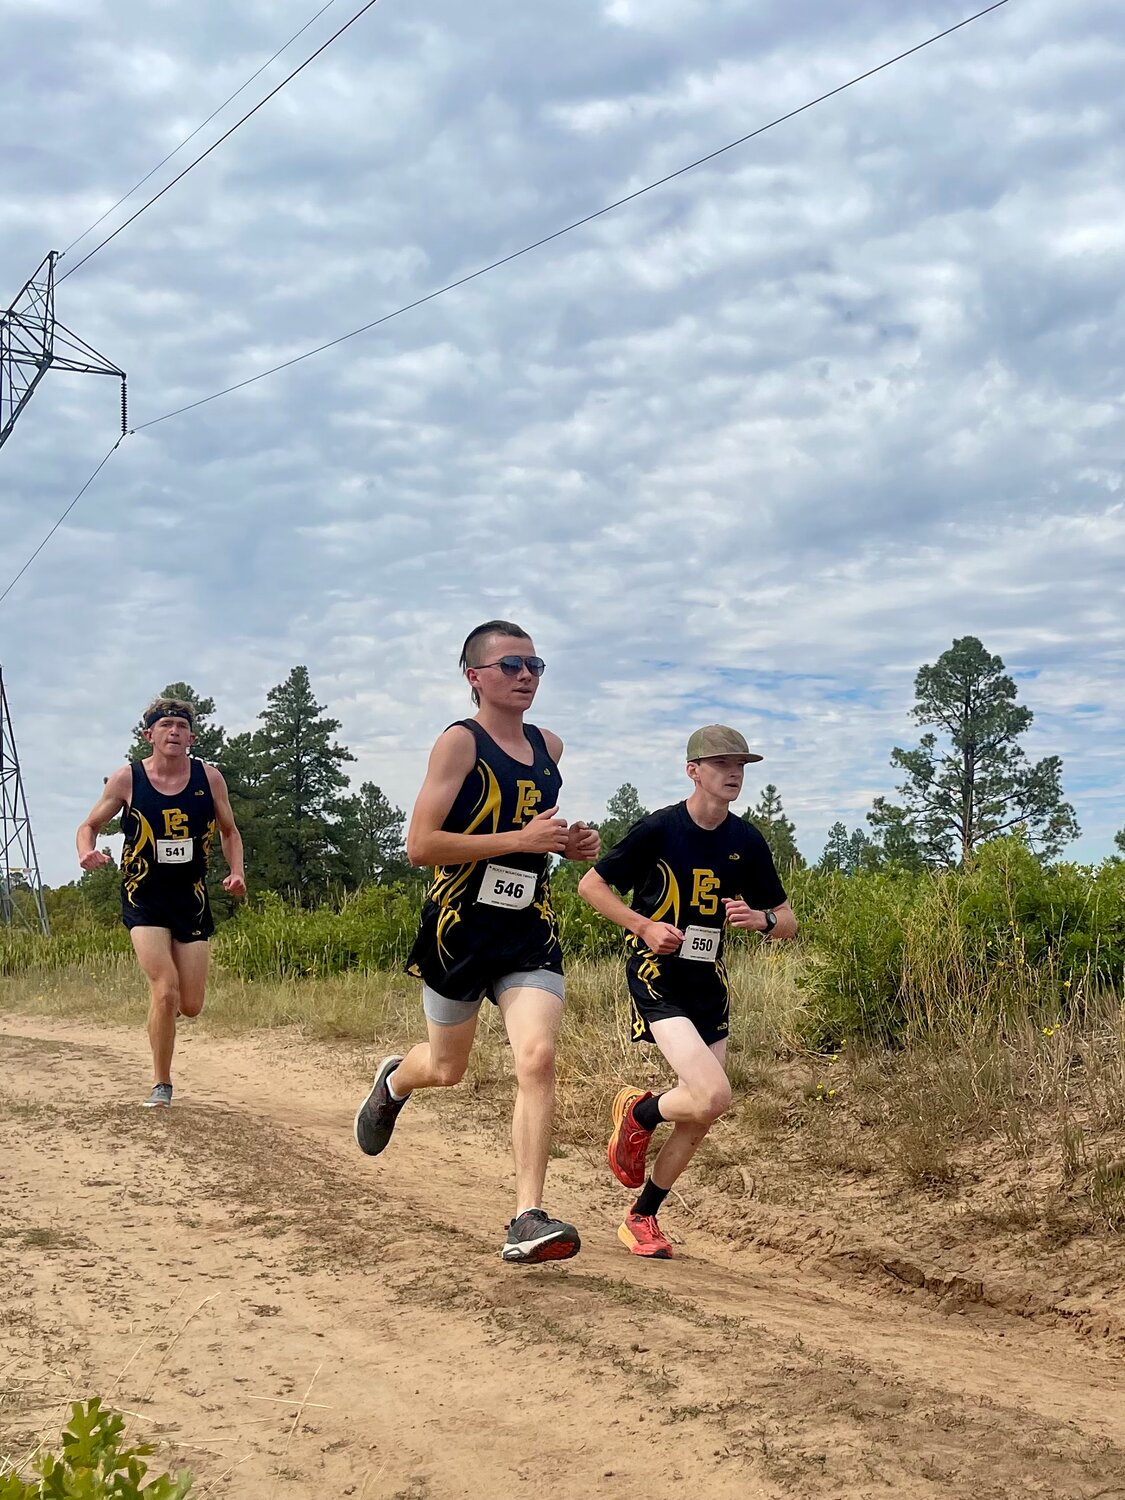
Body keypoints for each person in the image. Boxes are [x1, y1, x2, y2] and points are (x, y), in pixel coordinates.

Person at [353, 620, 600, 1264]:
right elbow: (420, 846)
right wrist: (518, 840)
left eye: (536, 665)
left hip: (528, 929)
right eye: (512, 665)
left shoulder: (550, 746)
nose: (527, 676)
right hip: (457, 929)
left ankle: (527, 1216)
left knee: (538, 1057)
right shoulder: (458, 745)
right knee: (446, 1068)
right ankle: (395, 1082)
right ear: (475, 676)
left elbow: (535, 839)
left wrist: (570, 847)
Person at [577, 725, 796, 1259]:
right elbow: (591, 885)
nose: (735, 773)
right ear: (693, 770)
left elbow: (787, 921)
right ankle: (641, 1115)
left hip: (709, 982)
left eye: (741, 764)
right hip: (657, 973)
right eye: (722, 763)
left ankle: (641, 1217)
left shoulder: (746, 840)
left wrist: (759, 919)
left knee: (702, 1113)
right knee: (713, 1094)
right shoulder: (659, 829)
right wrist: (642, 926)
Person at [76, 697, 246, 1107]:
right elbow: (89, 825)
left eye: (180, 725)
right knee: (165, 991)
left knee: (190, 1005)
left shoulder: (210, 778)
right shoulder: (127, 779)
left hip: (191, 897)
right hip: (144, 895)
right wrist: (86, 851)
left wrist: (237, 870)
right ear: (148, 734)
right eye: (165, 724)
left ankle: (162, 1039)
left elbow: (230, 831)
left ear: (192, 736)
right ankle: (161, 1083)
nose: (173, 731)